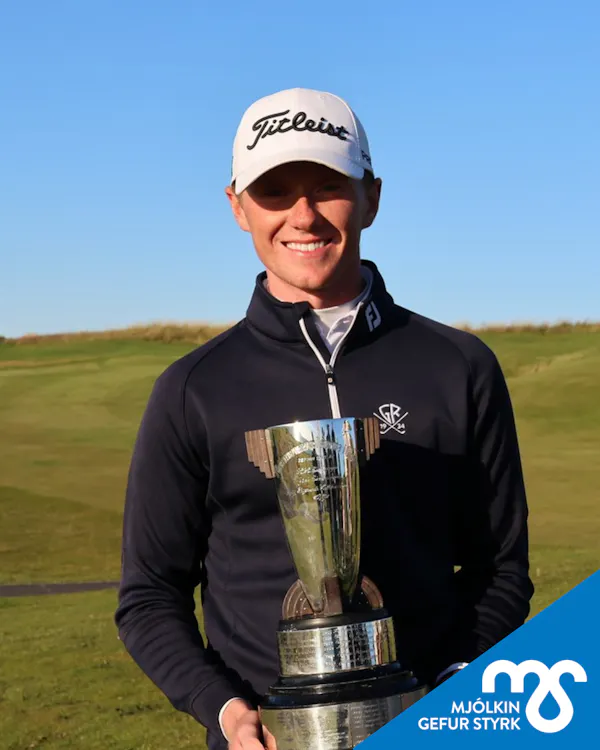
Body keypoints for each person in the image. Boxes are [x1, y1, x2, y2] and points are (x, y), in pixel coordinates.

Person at [115, 87, 534, 750]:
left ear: (371, 197)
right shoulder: (192, 389)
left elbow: (501, 570)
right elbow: (149, 595)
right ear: (238, 206)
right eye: (275, 191)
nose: (303, 215)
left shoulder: (458, 365)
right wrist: (224, 710)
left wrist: (452, 691)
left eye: (329, 187)